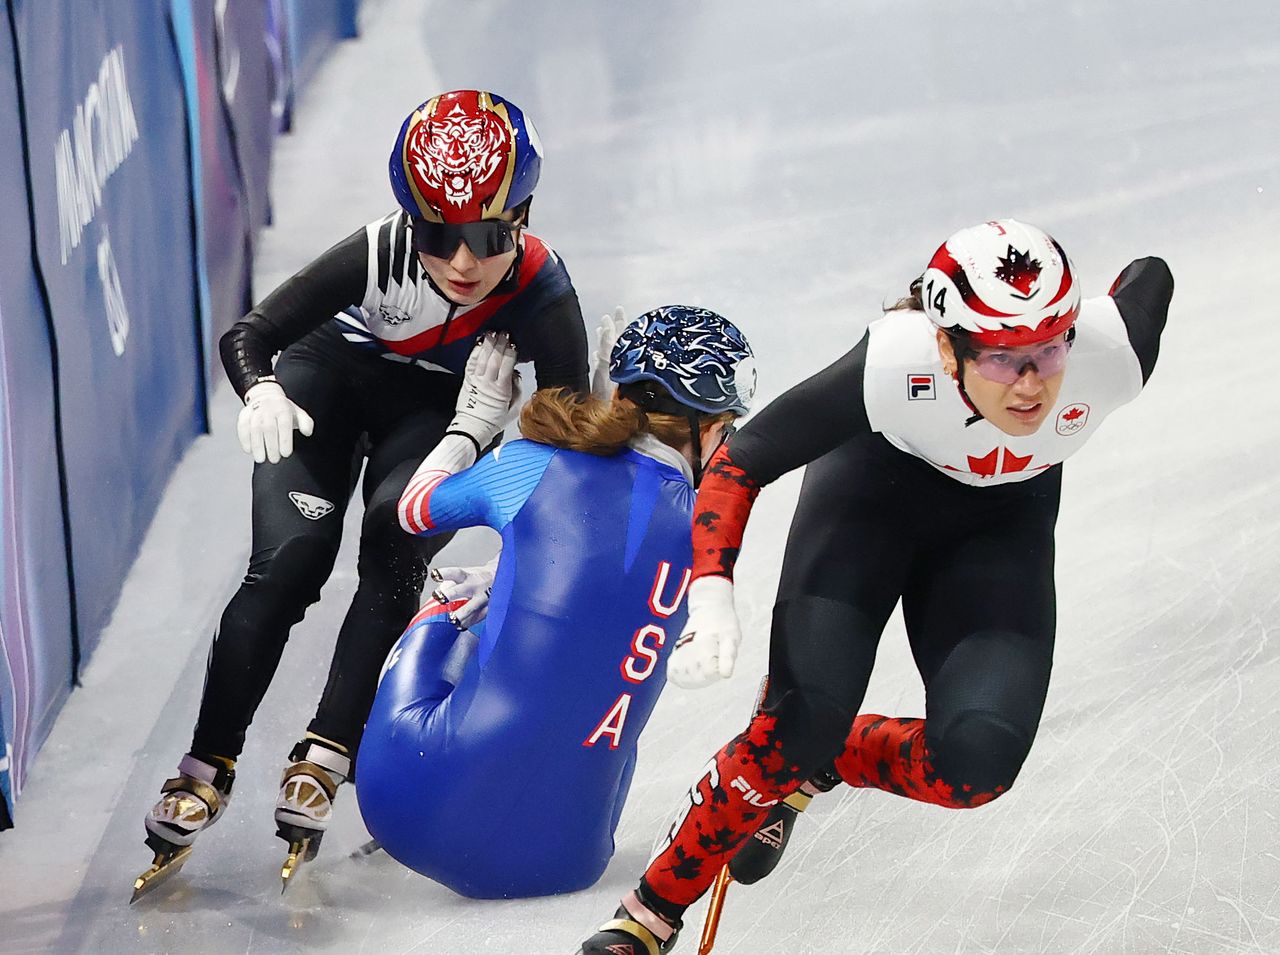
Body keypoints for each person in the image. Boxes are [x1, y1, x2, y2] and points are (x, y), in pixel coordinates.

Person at [578, 219, 1174, 953]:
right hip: (871, 497)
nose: (1030, 384)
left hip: (999, 527)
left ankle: (832, 758)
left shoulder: (1111, 354)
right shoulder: (895, 362)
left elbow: (1151, 276)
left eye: (1048, 349)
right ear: (947, 347)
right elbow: (742, 461)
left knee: (978, 765)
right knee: (799, 721)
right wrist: (711, 597)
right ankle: (648, 912)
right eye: (1001, 357)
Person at [133, 90, 589, 901]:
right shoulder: (379, 250)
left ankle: (328, 748)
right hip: (327, 383)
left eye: (486, 236)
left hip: (441, 413)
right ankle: (207, 762)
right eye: (436, 234)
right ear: (409, 222)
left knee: (393, 543)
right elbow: (250, 335)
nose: (461, 261)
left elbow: (569, 449)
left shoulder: (544, 292)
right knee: (289, 563)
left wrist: (475, 441)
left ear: (522, 218)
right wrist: (261, 390)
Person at [355, 305, 757, 899]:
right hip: (572, 857)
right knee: (602, 680)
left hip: (402, 809)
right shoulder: (712, 526)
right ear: (703, 427)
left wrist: (473, 423)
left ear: (620, 395)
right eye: (726, 427)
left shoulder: (530, 462)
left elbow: (412, 512)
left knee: (455, 604)